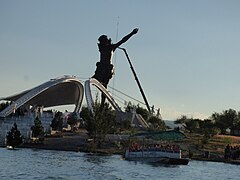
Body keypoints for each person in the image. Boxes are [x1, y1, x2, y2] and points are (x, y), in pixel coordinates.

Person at [92, 28, 139, 107]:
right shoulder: (102, 48)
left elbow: (123, 40)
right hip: (100, 68)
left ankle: (102, 105)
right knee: (93, 81)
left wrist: (131, 33)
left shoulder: (111, 47)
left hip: (107, 69)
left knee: (104, 87)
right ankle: (99, 103)